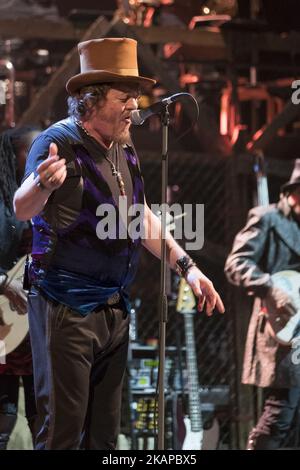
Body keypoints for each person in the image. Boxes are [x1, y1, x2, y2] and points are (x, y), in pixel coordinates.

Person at [13, 37, 224, 450]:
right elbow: (21, 207)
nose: (135, 106)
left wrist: (188, 268)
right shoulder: (59, 142)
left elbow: (140, 216)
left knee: (105, 438)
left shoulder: (123, 148)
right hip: (65, 306)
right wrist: (41, 182)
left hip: (113, 308)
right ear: (91, 100)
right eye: (124, 97)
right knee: (62, 433)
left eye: (136, 97)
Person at [224, 160, 300, 450]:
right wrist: (271, 287)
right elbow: (236, 263)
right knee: (281, 413)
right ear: (294, 192)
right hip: (279, 328)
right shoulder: (267, 218)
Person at [0, 127, 40, 449]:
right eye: (31, 150)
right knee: (4, 412)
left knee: (42, 415)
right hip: (3, 325)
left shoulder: (40, 199)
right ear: (13, 155)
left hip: (34, 326)